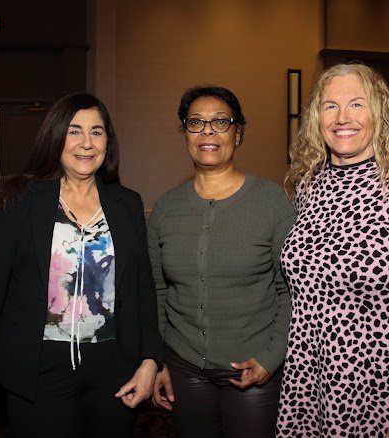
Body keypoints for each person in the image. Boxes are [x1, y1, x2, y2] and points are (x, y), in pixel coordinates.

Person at [0, 93, 163, 438]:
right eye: (74, 131)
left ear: (108, 142)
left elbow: (143, 287)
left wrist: (151, 360)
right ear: (56, 137)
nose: (86, 143)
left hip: (114, 373)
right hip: (38, 372)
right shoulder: (21, 201)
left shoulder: (128, 204)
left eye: (96, 132)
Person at [277, 63, 389, 437]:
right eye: (330, 106)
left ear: (379, 113)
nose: (343, 118)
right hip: (311, 381)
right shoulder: (308, 186)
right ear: (316, 118)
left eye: (357, 103)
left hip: (383, 389)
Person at [148, 85, 296, 438]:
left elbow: (291, 290)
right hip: (184, 367)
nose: (208, 132)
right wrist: (159, 361)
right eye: (196, 122)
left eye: (220, 122)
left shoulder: (272, 202)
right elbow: (157, 291)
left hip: (253, 368)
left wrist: (271, 358)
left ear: (237, 133)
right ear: (185, 133)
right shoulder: (165, 209)